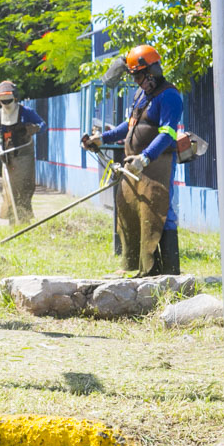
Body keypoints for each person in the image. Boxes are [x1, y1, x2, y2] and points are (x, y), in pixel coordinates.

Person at [81, 45, 182, 277]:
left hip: (157, 165)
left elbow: (167, 134)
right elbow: (129, 126)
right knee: (130, 209)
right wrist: (101, 138)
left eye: (139, 75)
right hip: (135, 165)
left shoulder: (169, 96)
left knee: (160, 211)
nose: (136, 80)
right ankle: (140, 266)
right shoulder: (140, 96)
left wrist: (145, 158)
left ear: (153, 71)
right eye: (134, 75)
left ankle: (170, 271)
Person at [0, 81, 47, 225]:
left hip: (25, 155)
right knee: (9, 191)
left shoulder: (26, 112)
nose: (6, 102)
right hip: (8, 157)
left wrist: (35, 128)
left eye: (9, 99)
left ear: (15, 97)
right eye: (3, 99)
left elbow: (43, 126)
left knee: (24, 188)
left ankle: (24, 219)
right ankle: (13, 221)